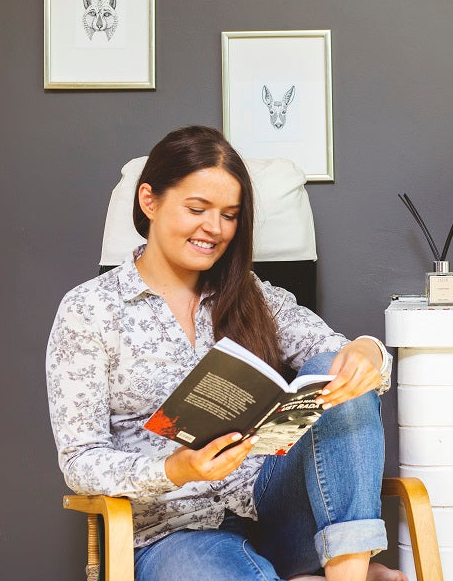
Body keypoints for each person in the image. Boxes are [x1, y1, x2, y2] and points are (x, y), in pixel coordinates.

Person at [46, 126, 406, 581]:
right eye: (197, 209)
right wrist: (174, 468)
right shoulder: (90, 310)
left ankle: (347, 575)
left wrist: (367, 352)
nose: (214, 229)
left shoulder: (250, 292)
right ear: (149, 201)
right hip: (174, 534)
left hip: (278, 513)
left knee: (335, 373)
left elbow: (337, 353)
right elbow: (80, 460)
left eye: (230, 215)